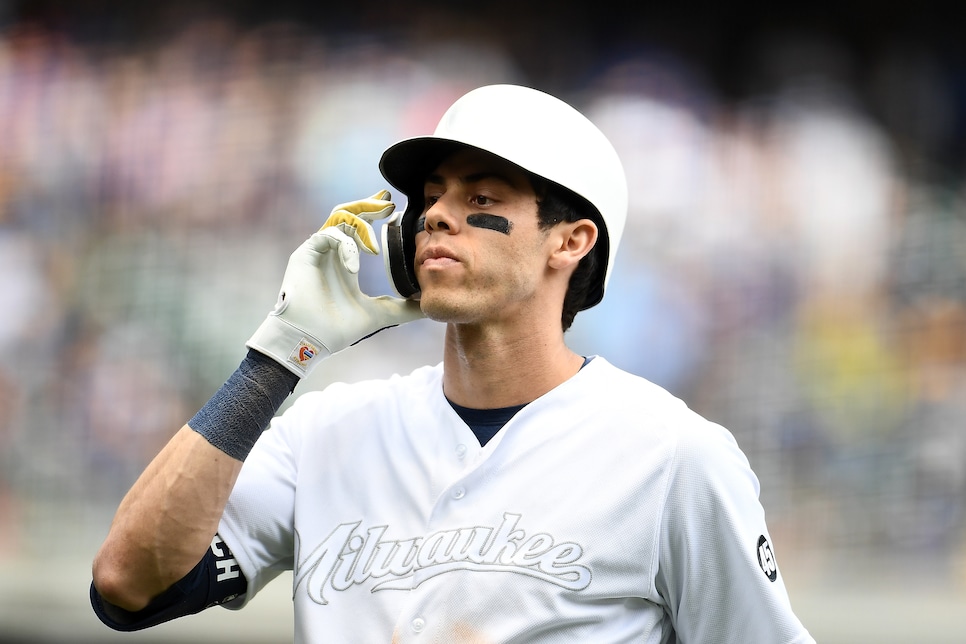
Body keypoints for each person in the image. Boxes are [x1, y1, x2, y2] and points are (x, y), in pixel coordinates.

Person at [91, 84, 815, 642]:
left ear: (570, 242)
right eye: (432, 197)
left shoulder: (673, 455)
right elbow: (128, 582)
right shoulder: (326, 430)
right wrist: (276, 358)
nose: (436, 215)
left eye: (481, 198)